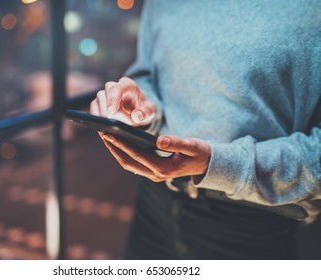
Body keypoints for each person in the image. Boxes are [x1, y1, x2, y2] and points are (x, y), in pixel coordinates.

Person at [90, 0, 321, 259]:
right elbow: (148, 74)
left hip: (253, 224)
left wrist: (219, 163)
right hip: (153, 206)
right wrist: (141, 110)